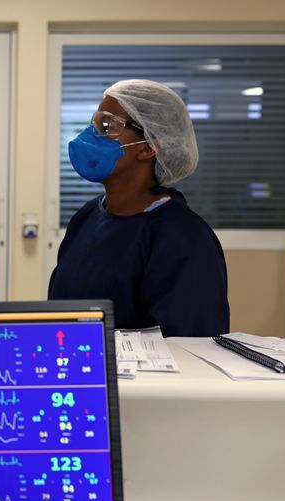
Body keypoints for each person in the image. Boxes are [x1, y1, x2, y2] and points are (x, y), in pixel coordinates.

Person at [48, 79, 229, 337]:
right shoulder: (87, 217)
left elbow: (188, 346)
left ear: (147, 147)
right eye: (95, 123)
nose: (91, 134)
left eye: (107, 126)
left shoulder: (183, 239)